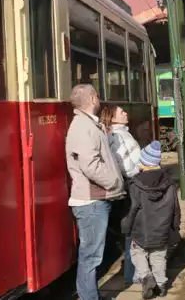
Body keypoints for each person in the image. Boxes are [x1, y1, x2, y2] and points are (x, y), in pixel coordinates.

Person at [66, 84, 125, 300]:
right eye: (98, 95)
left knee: (92, 255)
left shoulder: (88, 124)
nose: (99, 99)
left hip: (95, 199)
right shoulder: (83, 126)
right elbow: (90, 165)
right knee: (91, 256)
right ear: (92, 98)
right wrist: (114, 183)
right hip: (91, 202)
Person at [121, 141, 181, 299]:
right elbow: (176, 208)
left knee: (137, 253)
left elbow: (133, 209)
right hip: (162, 230)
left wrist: (126, 226)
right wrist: (175, 227)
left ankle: (146, 277)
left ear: (143, 162)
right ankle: (161, 285)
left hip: (141, 230)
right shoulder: (169, 184)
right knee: (159, 256)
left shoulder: (135, 184)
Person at [100, 104, 141, 285]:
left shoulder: (118, 134)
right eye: (121, 112)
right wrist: (140, 171)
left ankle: (132, 272)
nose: (125, 113)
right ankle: (133, 273)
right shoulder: (118, 136)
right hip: (132, 183)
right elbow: (125, 164)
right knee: (133, 229)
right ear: (113, 118)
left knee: (130, 228)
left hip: (129, 184)